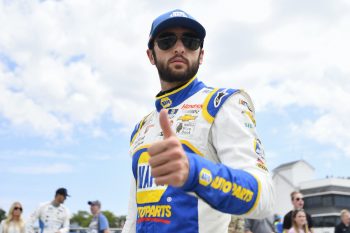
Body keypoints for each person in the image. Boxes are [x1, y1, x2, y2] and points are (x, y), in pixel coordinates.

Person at [122, 9, 274, 233]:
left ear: (201, 55)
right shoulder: (142, 127)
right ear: (151, 55)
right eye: (166, 40)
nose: (179, 47)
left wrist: (196, 172)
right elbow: (134, 216)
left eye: (191, 41)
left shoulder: (222, 104)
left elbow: (265, 197)